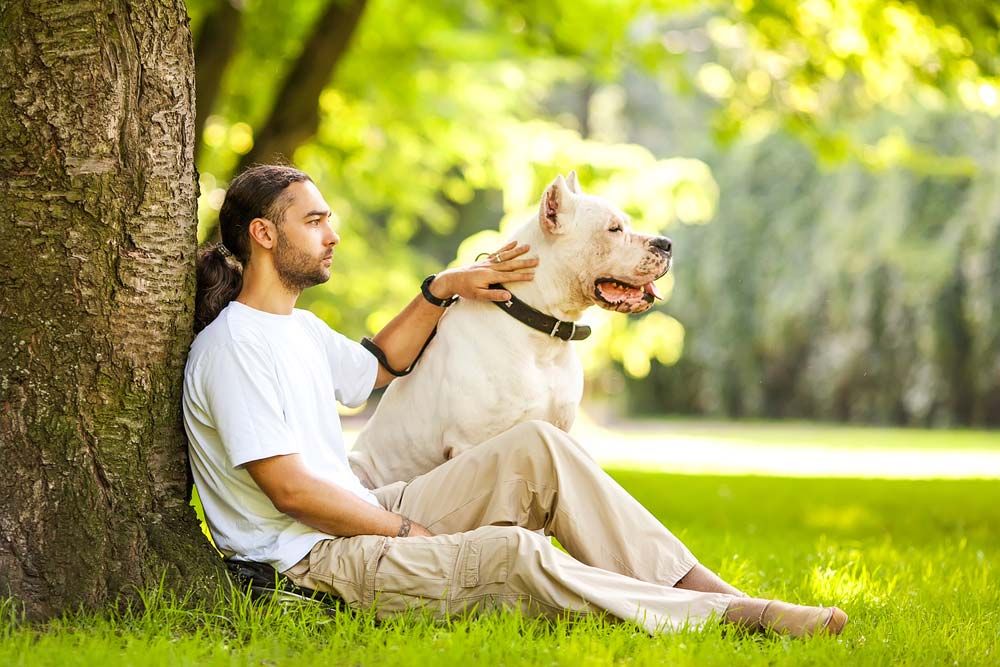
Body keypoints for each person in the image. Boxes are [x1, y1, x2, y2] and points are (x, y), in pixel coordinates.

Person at [182, 164, 848, 637]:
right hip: (308, 564)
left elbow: (377, 368)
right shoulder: (234, 347)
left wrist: (446, 286)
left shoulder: (296, 328)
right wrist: (405, 531)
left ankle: (719, 593)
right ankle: (731, 621)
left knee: (540, 448)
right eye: (314, 221)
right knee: (513, 554)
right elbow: (292, 492)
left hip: (361, 516)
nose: (333, 234)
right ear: (264, 235)